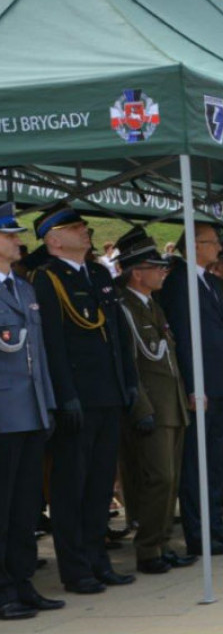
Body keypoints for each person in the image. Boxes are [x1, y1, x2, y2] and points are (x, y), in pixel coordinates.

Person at [32, 202, 139, 593]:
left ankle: (98, 560)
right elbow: (53, 344)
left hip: (108, 393)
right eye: (76, 228)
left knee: (98, 485)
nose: (85, 231)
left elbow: (116, 335)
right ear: (54, 240)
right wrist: (65, 395)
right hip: (77, 398)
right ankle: (75, 570)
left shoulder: (97, 273)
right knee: (71, 487)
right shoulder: (48, 279)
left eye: (84, 227)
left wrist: (127, 381)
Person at [160, 223, 223, 557]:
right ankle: (198, 532)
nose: (219, 248)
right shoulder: (179, 284)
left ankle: (217, 526)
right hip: (201, 388)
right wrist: (194, 386)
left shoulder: (209, 281)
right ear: (195, 245)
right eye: (213, 242)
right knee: (196, 463)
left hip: (221, 383)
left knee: (215, 463)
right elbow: (184, 340)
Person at [113, 229, 194, 575]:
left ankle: (160, 543)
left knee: (171, 479)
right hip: (151, 409)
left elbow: (166, 358)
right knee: (157, 478)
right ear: (136, 272)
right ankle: (147, 550)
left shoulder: (150, 305)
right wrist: (141, 408)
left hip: (170, 405)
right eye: (155, 266)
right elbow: (131, 364)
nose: (163, 271)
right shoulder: (124, 308)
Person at [0, 204, 63, 619]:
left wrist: (49, 404)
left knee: (25, 509)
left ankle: (23, 583)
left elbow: (37, 355)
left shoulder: (23, 288)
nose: (19, 241)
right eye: (10, 235)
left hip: (31, 412)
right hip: (4, 416)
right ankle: (4, 589)